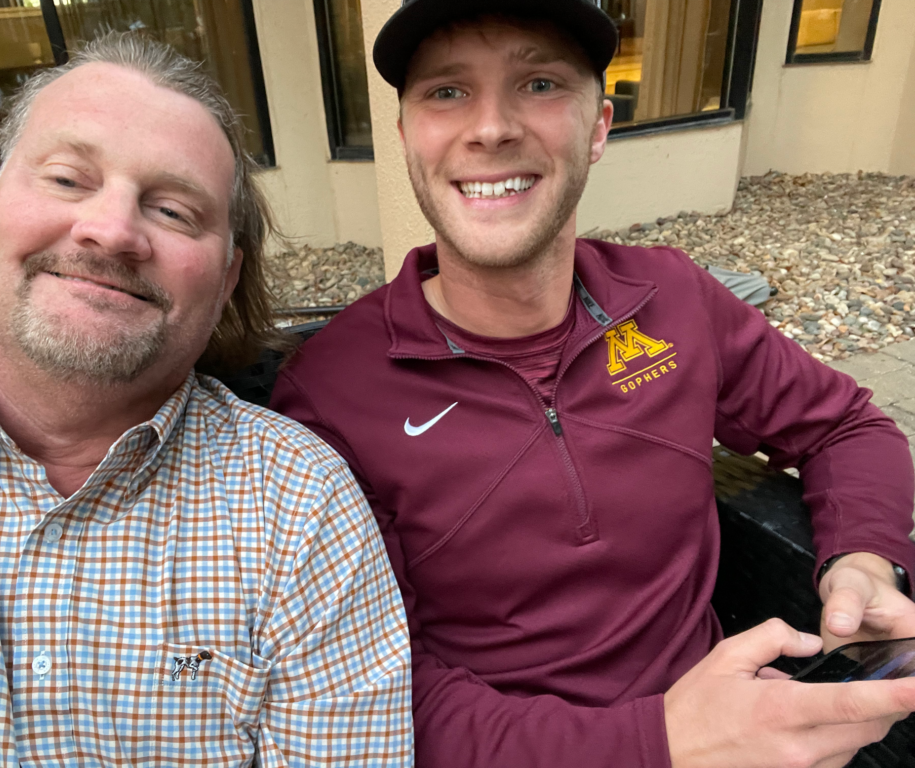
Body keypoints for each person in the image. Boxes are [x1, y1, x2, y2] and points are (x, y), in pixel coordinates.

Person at [269, 1, 915, 766]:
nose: (491, 128)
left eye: (539, 84)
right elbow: (376, 690)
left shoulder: (673, 297)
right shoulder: (331, 393)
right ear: (407, 137)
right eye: (447, 91)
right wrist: (663, 743)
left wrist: (862, 559)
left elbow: (845, 425)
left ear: (599, 127)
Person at [0, 32, 412, 766]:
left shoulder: (298, 505)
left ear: (226, 280)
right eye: (68, 178)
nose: (111, 231)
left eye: (172, 211)